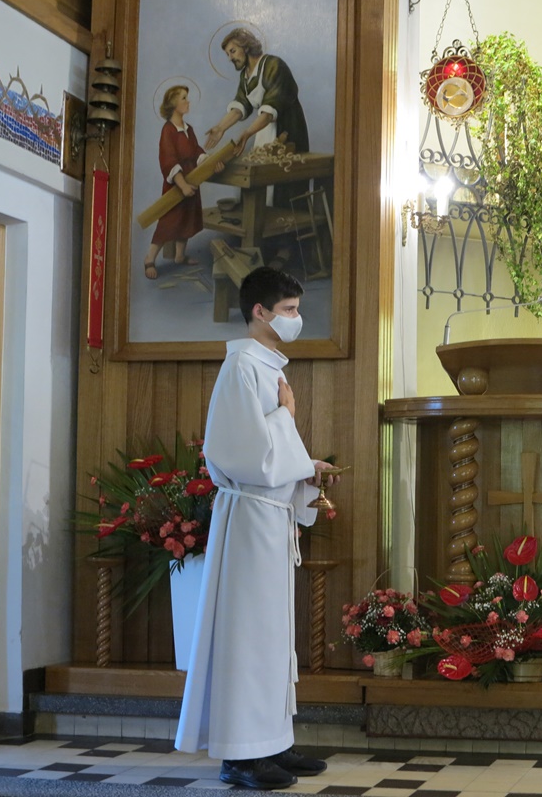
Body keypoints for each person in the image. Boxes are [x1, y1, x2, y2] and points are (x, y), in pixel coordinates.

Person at [175, 267, 339, 790]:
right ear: (259, 312)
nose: (296, 319)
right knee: (247, 635)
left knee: (271, 635)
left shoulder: (268, 366)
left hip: (270, 518)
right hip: (248, 520)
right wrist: (287, 415)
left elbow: (270, 453)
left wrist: (306, 467)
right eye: (288, 310)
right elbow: (239, 454)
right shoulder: (242, 366)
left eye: (297, 310)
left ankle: (272, 741)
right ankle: (241, 757)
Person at [205, 27, 310, 208]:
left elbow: (269, 112)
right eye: (228, 54)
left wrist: (247, 133)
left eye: (232, 51)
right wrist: (220, 128)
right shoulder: (245, 75)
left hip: (287, 131)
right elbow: (240, 106)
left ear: (245, 47)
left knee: (282, 189)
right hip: (264, 130)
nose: (230, 58)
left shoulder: (274, 65)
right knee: (261, 183)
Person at [141, 85, 220, 280]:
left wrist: (210, 162)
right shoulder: (168, 130)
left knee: (188, 217)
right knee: (169, 221)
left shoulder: (188, 129)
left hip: (192, 179)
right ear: (173, 104)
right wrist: (182, 185)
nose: (188, 101)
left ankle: (179, 256)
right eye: (184, 98)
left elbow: (196, 151)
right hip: (176, 184)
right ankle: (149, 258)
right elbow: (168, 160)